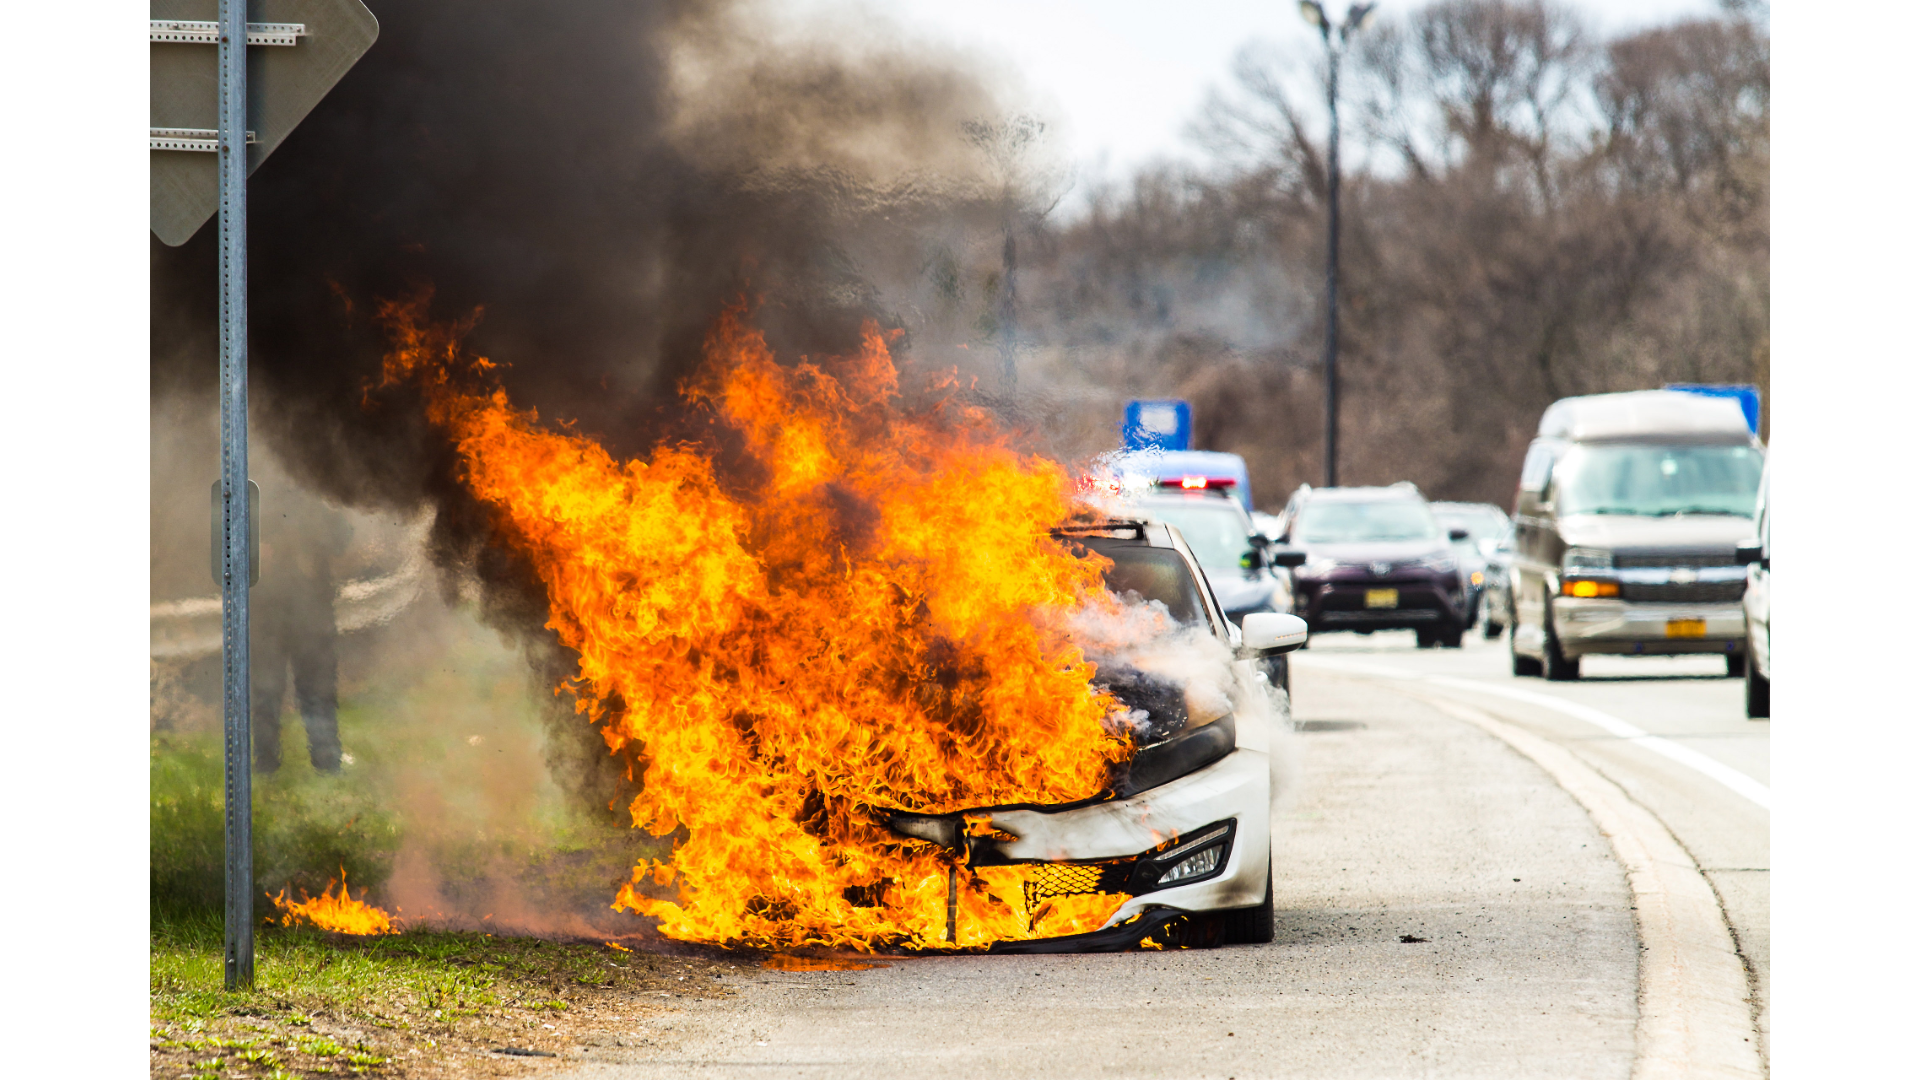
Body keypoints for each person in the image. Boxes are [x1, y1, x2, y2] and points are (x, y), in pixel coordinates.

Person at [252, 490, 352, 773]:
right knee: (267, 693)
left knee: (315, 693)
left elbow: (342, 540)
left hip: (310, 615)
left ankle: (326, 763)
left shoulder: (316, 499)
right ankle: (266, 766)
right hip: (270, 615)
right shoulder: (261, 498)